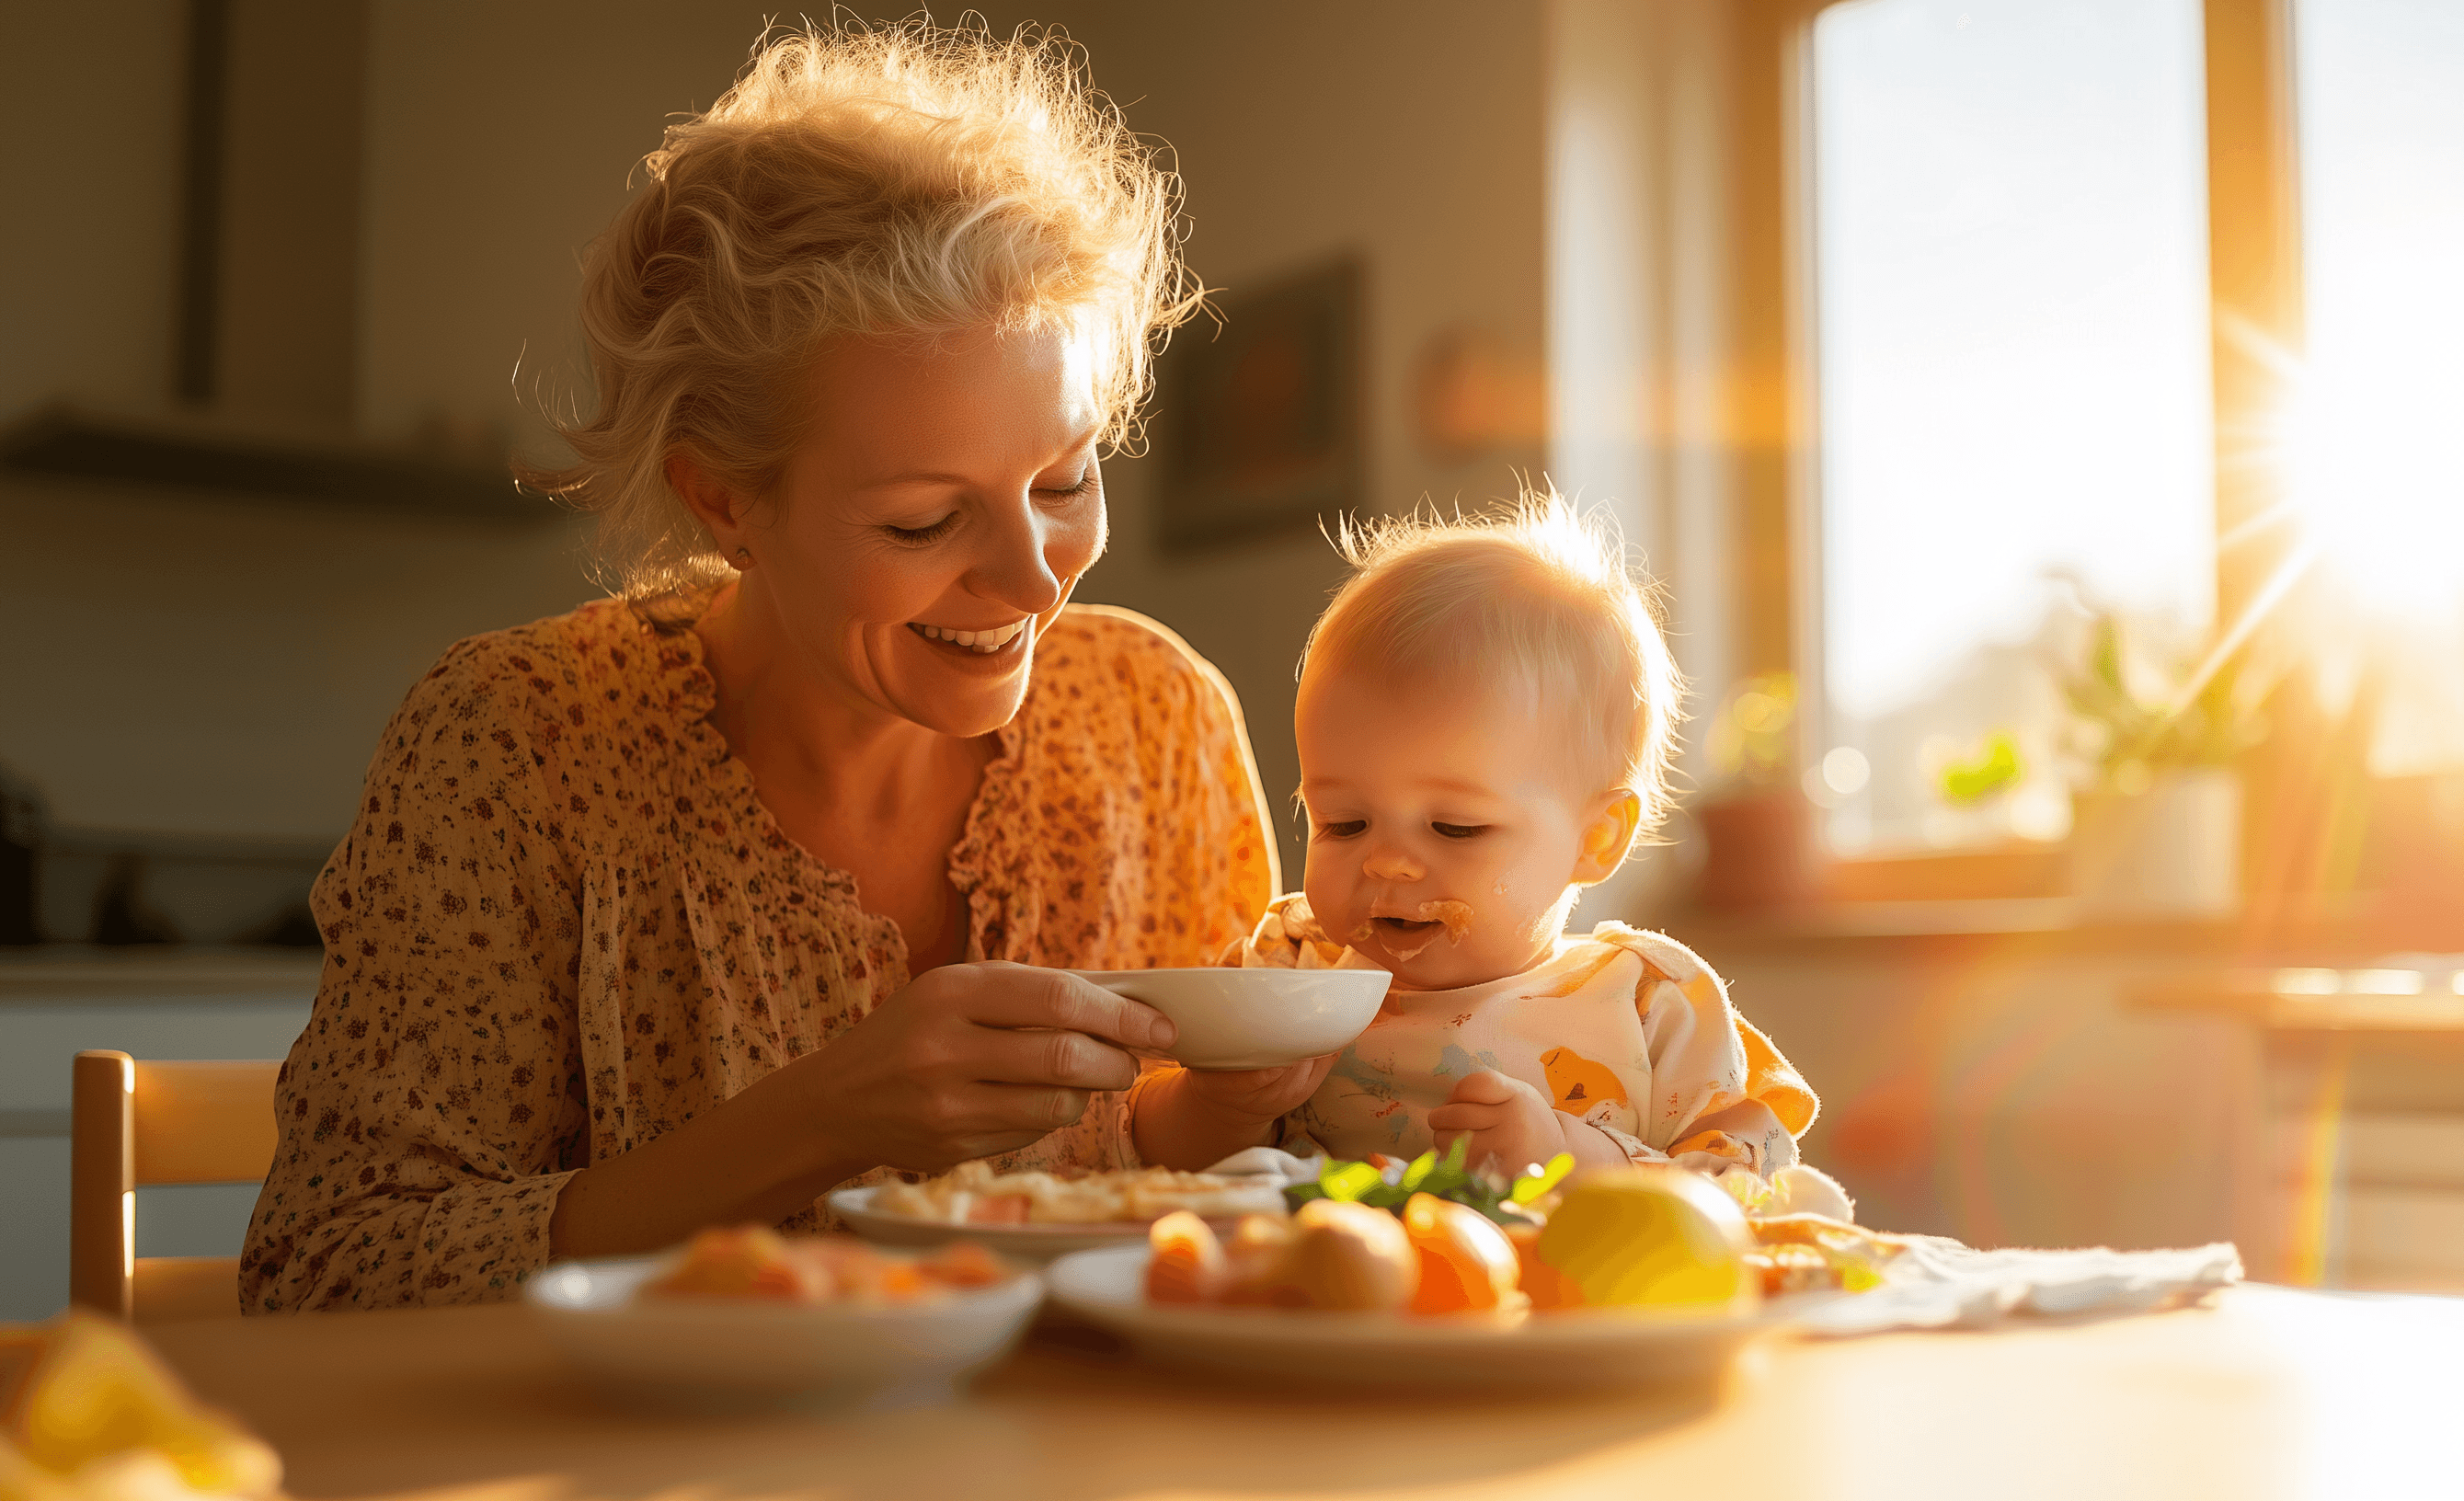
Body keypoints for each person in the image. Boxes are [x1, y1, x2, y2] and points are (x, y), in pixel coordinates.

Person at [241, 20, 1319, 1312]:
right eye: (925, 520)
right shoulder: (515, 742)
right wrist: (819, 1120)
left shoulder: (1155, 716)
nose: (1037, 581)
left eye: (1065, 478)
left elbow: (1248, 1181)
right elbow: (326, 1275)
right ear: (725, 502)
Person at [1134, 498, 1844, 1209]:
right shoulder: (1288, 972)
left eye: (1455, 828)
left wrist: (1571, 1155)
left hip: (1556, 1310)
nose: (1388, 863)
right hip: (1325, 1301)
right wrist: (1217, 1108)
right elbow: (1141, 1153)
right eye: (1344, 823)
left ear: (1596, 839)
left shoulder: (1649, 1005)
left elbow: (1748, 1198)